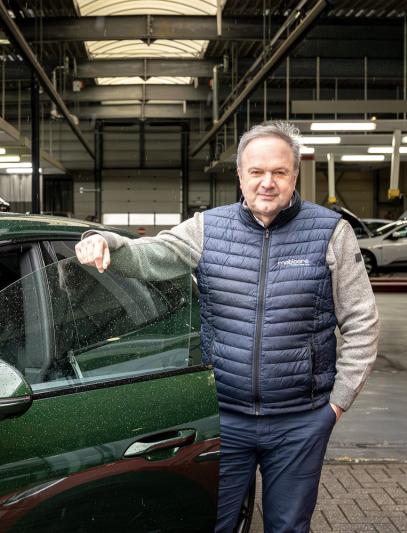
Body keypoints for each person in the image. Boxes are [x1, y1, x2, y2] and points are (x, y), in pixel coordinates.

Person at [75, 121, 379, 533]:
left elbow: (362, 322)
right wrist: (104, 240)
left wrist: (336, 404)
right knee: (214, 524)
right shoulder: (208, 228)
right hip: (224, 418)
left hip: (301, 420)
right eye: (257, 172)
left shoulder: (330, 232)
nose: (267, 182)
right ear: (240, 175)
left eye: (279, 172)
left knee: (288, 527)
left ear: (295, 175)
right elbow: (150, 255)